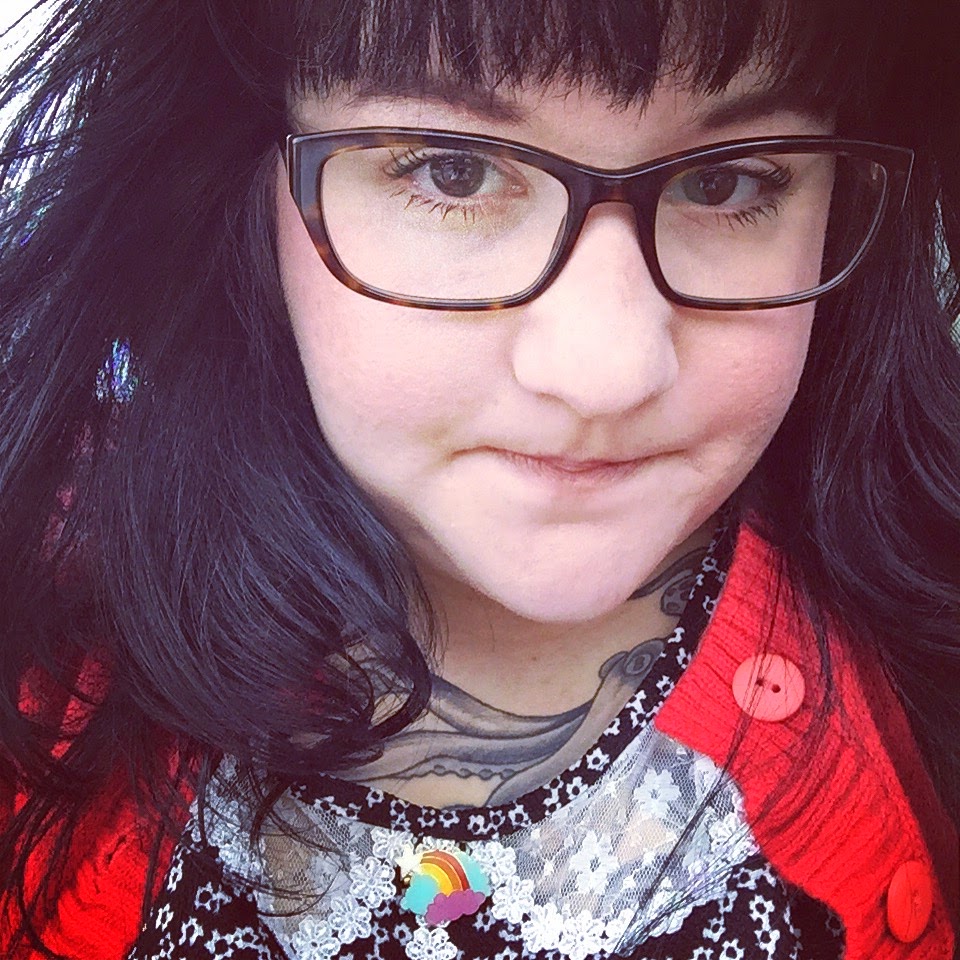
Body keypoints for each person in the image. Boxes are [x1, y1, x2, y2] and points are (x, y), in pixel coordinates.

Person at [1, 0, 958, 958]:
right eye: (452, 171)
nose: (608, 371)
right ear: (245, 182)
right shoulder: (43, 614)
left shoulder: (927, 647)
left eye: (726, 181)